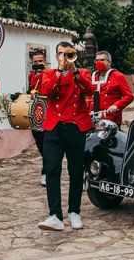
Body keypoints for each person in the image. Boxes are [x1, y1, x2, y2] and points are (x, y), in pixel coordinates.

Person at [37, 41, 93, 231]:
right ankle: (55, 215)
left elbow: (90, 90)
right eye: (60, 54)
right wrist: (60, 71)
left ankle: (74, 211)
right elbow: (46, 92)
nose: (64, 57)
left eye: (67, 53)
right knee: (52, 169)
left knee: (76, 171)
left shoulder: (82, 73)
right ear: (56, 56)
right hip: (54, 127)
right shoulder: (49, 74)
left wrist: (75, 71)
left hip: (76, 126)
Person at [90, 51, 134, 126]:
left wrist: (116, 106)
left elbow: (129, 96)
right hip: (93, 118)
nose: (99, 62)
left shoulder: (118, 76)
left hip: (110, 119)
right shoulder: (93, 76)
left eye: (102, 60)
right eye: (97, 60)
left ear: (109, 62)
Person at [28, 51, 47, 186]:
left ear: (44, 61)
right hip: (36, 114)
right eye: (35, 62)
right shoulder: (31, 75)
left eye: (40, 61)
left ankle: (45, 172)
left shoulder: (49, 74)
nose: (38, 64)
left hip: (47, 112)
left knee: (47, 145)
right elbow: (29, 91)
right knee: (40, 145)